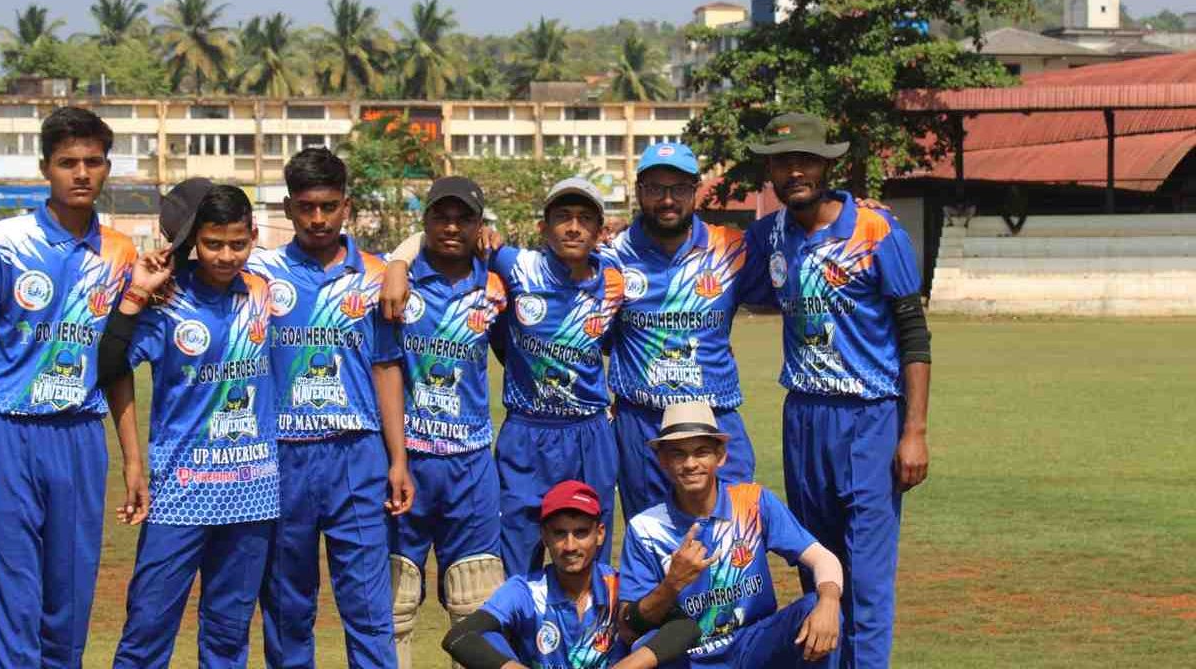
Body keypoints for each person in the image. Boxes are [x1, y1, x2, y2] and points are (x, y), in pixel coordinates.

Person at [740, 112, 932, 668]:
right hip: (804, 416)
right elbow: (707, 260)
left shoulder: (875, 230)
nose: (794, 170)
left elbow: (913, 332)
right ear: (770, 169)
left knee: (866, 577)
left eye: (805, 159)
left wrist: (914, 431)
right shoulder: (769, 234)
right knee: (816, 567)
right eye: (783, 160)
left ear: (828, 164)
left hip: (870, 417)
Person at [0, 106, 140, 667]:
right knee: (12, 599)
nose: (81, 173)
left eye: (92, 162)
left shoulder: (122, 254)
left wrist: (132, 460)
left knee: (70, 601)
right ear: (45, 169)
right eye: (67, 163)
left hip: (82, 438)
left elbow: (117, 365)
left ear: (107, 168)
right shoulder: (4, 241)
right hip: (7, 435)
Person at [384, 177, 625, 577]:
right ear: (542, 228)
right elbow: (440, 234)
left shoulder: (616, 280)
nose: (573, 227)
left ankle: (591, 639)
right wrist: (396, 261)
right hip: (526, 434)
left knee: (590, 562)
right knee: (515, 562)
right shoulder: (516, 266)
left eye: (585, 219)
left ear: (600, 232)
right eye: (562, 217)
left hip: (590, 434)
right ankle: (524, 639)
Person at [98, 181, 280, 668]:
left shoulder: (262, 292)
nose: (225, 255)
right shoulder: (167, 300)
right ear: (194, 241)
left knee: (227, 637)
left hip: (252, 494)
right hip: (179, 493)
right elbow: (108, 366)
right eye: (213, 244)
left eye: (238, 243)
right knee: (147, 630)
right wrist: (137, 293)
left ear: (254, 236)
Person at [245, 147, 415, 669]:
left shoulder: (377, 275)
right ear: (287, 208)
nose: (317, 219)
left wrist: (398, 458)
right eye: (305, 207)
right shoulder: (259, 272)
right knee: (288, 606)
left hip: (356, 458)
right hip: (282, 458)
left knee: (367, 608)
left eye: (328, 206)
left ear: (347, 206)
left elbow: (386, 368)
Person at [381, 177, 508, 668]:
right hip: (407, 462)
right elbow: (383, 364)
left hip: (471, 465)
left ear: (480, 225)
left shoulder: (497, 286)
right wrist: (397, 260)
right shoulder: (395, 283)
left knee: (476, 599)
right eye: (441, 216)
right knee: (393, 601)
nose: (451, 227)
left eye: (464, 218)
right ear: (425, 221)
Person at [618, 400, 844, 669]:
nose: (691, 464)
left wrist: (830, 601)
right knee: (643, 649)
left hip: (752, 646)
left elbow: (823, 559)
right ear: (663, 461)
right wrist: (672, 584)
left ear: (721, 456)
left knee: (820, 609)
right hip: (689, 656)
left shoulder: (753, 502)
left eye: (701, 452)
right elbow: (629, 627)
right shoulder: (646, 528)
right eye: (678, 454)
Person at [604, 143, 757, 523]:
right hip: (644, 426)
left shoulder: (732, 248)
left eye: (679, 189)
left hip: (715, 419)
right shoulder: (611, 255)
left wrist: (845, 205)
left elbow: (798, 248)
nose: (667, 199)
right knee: (655, 545)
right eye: (655, 188)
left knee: (728, 542)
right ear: (639, 190)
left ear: (696, 191)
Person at [442, 480, 664, 669]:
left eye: (581, 533)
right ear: (544, 536)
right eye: (559, 533)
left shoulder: (619, 586)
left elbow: (684, 628)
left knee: (651, 637)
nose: (570, 546)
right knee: (488, 638)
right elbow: (458, 637)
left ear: (600, 534)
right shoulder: (525, 590)